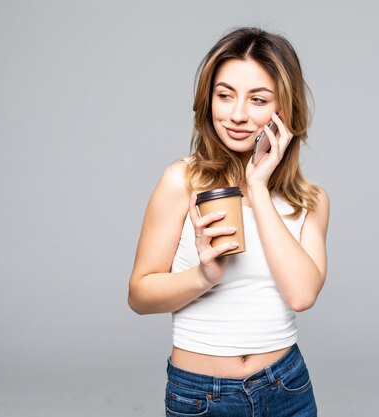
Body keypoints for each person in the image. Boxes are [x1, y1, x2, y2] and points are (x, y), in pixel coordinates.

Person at [128, 27, 330, 417]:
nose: (237, 115)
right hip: (202, 396)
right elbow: (139, 295)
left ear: (284, 110)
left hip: (287, 387)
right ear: (208, 101)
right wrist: (203, 277)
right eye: (225, 95)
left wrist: (256, 187)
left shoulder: (311, 200)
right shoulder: (182, 182)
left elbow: (302, 295)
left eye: (258, 100)